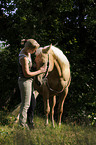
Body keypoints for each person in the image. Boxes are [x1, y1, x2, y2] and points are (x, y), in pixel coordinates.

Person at [18, 39, 46, 129]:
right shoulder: (24, 58)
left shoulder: (27, 53)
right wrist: (40, 71)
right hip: (25, 81)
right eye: (34, 50)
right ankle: (22, 125)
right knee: (25, 104)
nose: (34, 52)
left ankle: (28, 122)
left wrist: (35, 66)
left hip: (29, 81)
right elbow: (27, 74)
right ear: (29, 48)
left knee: (32, 102)